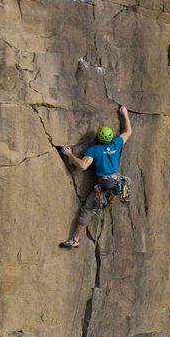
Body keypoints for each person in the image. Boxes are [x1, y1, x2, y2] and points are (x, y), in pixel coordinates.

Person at [59, 105, 132, 248]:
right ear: (111, 137)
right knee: (105, 195)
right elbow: (128, 131)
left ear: (98, 136)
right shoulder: (116, 144)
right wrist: (125, 114)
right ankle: (108, 200)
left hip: (104, 184)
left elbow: (83, 166)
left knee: (88, 209)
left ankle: (76, 239)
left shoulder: (94, 150)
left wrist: (69, 154)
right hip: (116, 182)